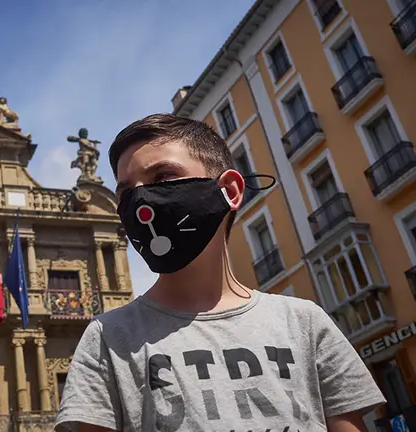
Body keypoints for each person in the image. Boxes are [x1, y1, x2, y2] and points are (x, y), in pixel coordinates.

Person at [54, 114, 385, 431]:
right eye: (126, 192)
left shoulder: (304, 323)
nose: (141, 202)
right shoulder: (108, 339)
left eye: (163, 177)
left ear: (231, 190)